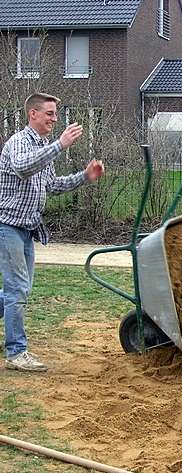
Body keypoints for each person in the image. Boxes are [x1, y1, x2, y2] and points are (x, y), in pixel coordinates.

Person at [0, 93, 105, 373]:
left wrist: (85, 176)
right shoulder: (19, 143)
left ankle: (14, 343)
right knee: (17, 290)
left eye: (55, 114)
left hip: (27, 228)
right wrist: (60, 145)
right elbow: (23, 168)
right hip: (7, 226)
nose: (55, 119)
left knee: (19, 290)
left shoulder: (45, 146)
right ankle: (16, 353)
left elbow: (51, 185)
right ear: (32, 114)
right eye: (49, 113)